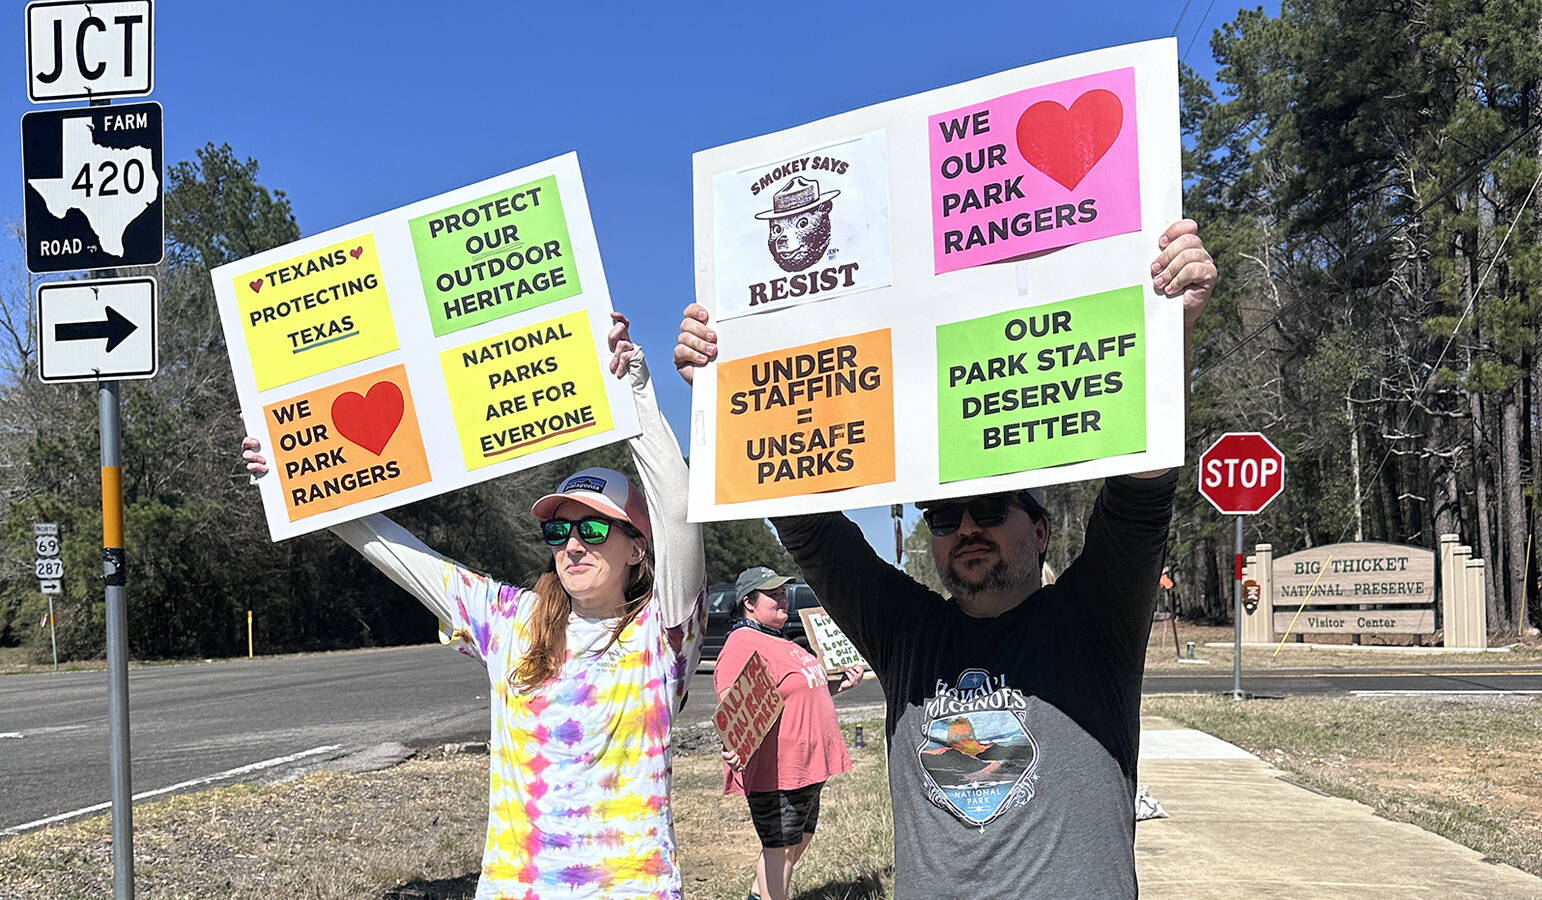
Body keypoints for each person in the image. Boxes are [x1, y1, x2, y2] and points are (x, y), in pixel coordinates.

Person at [674, 220, 1216, 899]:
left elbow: (1140, 498)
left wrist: (1171, 328)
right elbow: (810, 527)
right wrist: (729, 389)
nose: (965, 528)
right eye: (943, 517)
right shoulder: (907, 632)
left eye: (990, 511)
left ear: (1042, 530)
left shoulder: (1095, 617)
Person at [243, 313, 704, 900]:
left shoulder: (662, 635)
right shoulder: (514, 622)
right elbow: (405, 557)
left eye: (592, 527)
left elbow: (679, 509)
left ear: (638, 547)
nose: (573, 544)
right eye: (558, 533)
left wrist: (633, 389)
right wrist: (296, 485)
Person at [713, 566, 864, 900]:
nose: (782, 597)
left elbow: (796, 691)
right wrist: (733, 742)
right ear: (748, 603)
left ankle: (760, 894)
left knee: (798, 840)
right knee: (780, 851)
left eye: (783, 591)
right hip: (779, 770)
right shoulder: (742, 642)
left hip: (808, 767)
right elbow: (732, 703)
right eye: (773, 593)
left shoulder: (778, 640)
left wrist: (839, 684)